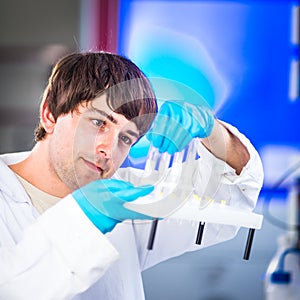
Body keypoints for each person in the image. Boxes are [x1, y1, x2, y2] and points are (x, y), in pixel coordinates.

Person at [0, 51, 263, 300]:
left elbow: (231, 198)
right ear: (50, 115)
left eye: (126, 138)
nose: (108, 150)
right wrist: (80, 220)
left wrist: (213, 133)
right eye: (98, 122)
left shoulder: (124, 197)